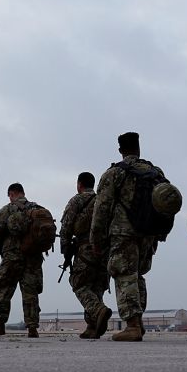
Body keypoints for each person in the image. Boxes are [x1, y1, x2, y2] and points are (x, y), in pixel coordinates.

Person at [91, 134, 163, 342]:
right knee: (138, 275)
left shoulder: (114, 174)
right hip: (148, 233)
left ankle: (131, 325)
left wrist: (96, 239)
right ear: (138, 148)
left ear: (120, 150)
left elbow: (101, 209)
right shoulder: (155, 172)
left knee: (124, 274)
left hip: (123, 232)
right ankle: (138, 323)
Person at [0, 183, 45, 337]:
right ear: (23, 193)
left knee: (3, 290)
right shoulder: (37, 209)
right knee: (30, 292)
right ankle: (32, 328)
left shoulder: (8, 209)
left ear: (11, 194)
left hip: (12, 257)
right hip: (33, 257)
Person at [62, 171, 112, 339]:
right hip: (105, 250)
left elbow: (67, 226)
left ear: (79, 184)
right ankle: (92, 327)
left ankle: (98, 311)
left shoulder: (77, 200)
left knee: (79, 284)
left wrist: (65, 249)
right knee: (96, 286)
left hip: (85, 248)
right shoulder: (103, 201)